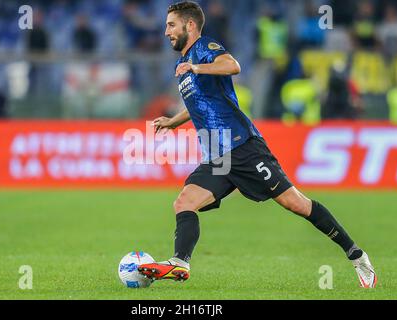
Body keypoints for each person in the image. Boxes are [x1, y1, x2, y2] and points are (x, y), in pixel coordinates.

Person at [138, 1, 377, 288]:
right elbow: (198, 102)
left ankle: (356, 255)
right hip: (217, 156)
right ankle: (180, 261)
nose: (166, 32)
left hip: (243, 147)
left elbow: (233, 66)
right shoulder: (183, 64)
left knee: (295, 203)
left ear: (190, 25)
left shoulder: (205, 49)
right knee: (184, 202)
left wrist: (197, 67)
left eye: (171, 25)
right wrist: (174, 121)